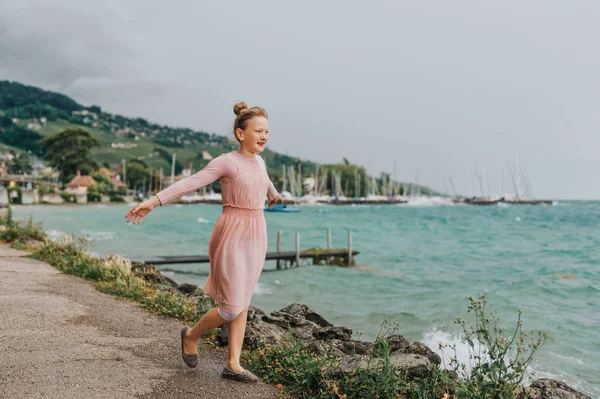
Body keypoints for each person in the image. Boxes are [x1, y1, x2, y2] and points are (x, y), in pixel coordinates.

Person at [125, 102, 283, 383]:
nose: (263, 136)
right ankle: (191, 335)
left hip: (257, 232)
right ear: (240, 133)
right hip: (232, 232)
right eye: (258, 130)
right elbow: (190, 183)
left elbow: (264, 178)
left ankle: (233, 364)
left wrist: (273, 194)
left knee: (243, 300)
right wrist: (153, 201)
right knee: (231, 307)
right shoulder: (226, 162)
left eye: (267, 131)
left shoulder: (260, 161)